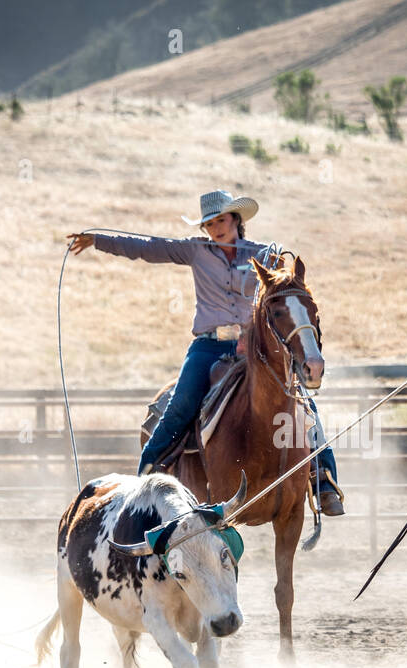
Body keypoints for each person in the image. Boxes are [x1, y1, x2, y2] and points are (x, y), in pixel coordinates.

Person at [67, 189, 344, 516]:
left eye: (221, 220)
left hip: (252, 348)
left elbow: (286, 289)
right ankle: (144, 477)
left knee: (302, 403)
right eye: (209, 223)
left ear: (236, 220)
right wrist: (99, 239)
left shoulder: (262, 255)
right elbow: (148, 248)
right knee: (180, 404)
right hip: (208, 346)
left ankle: (323, 480)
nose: (216, 228)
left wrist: (279, 259)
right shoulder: (195, 251)